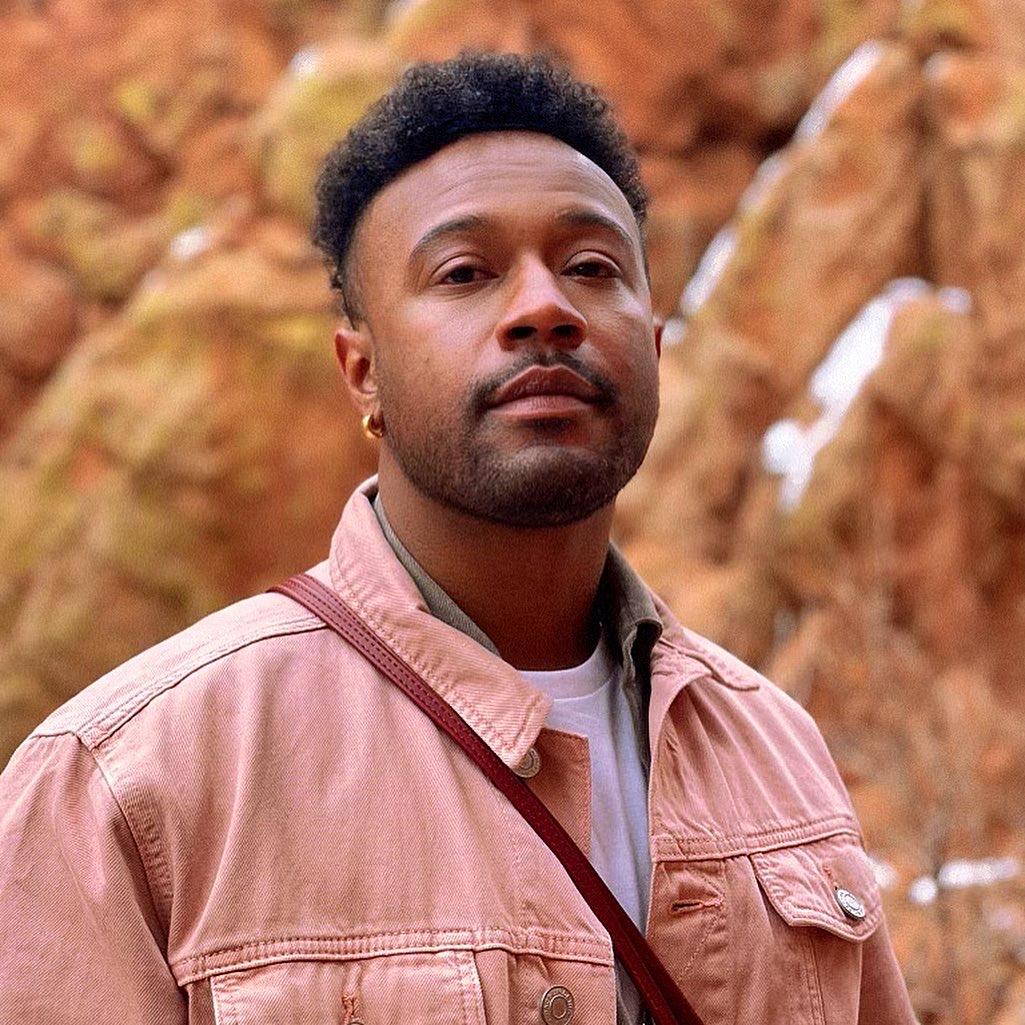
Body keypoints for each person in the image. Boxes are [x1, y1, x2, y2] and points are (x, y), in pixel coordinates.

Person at [0, 52, 915, 1025]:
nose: (542, 309)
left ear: (650, 348)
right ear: (363, 373)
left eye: (590, 267)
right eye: (466, 273)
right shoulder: (131, 780)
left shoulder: (772, 748)